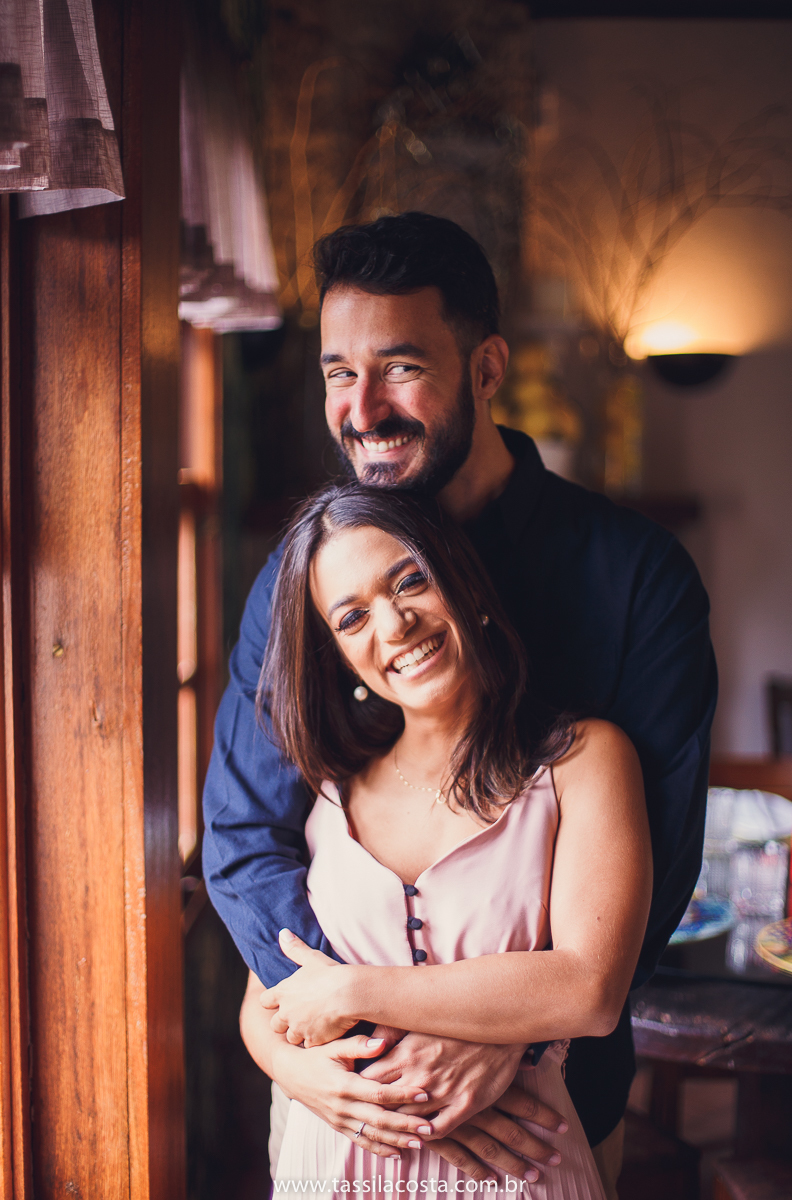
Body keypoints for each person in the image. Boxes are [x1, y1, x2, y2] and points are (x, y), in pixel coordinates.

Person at [203, 212, 717, 1197]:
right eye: (335, 373)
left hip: (536, 1122)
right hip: (344, 1108)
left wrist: (518, 1044)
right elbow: (241, 836)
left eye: (398, 367)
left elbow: (651, 872)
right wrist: (360, 1053)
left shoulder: (637, 578)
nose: (362, 407)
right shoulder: (299, 583)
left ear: (485, 370)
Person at [241, 481, 652, 1198]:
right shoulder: (326, 789)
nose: (394, 625)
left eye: (411, 580)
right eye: (352, 617)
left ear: (467, 586)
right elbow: (266, 1001)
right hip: (331, 1163)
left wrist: (354, 990)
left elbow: (590, 988)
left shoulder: (584, 760)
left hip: (517, 1172)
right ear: (337, 655)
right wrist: (306, 1077)